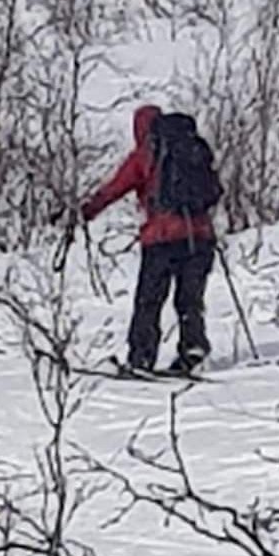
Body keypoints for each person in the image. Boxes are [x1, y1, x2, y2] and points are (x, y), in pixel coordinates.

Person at [80, 104, 216, 376]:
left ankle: (141, 357)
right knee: (189, 299)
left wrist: (86, 211)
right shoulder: (193, 149)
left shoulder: (145, 154)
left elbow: (114, 189)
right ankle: (193, 351)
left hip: (161, 238)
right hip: (200, 235)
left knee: (149, 300)